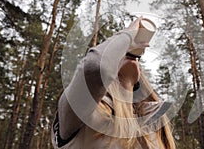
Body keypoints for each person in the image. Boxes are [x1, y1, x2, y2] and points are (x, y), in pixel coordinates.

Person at [51, 17, 176, 149]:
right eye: (118, 54)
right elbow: (97, 67)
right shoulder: (80, 114)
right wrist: (128, 34)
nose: (122, 54)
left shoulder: (151, 122)